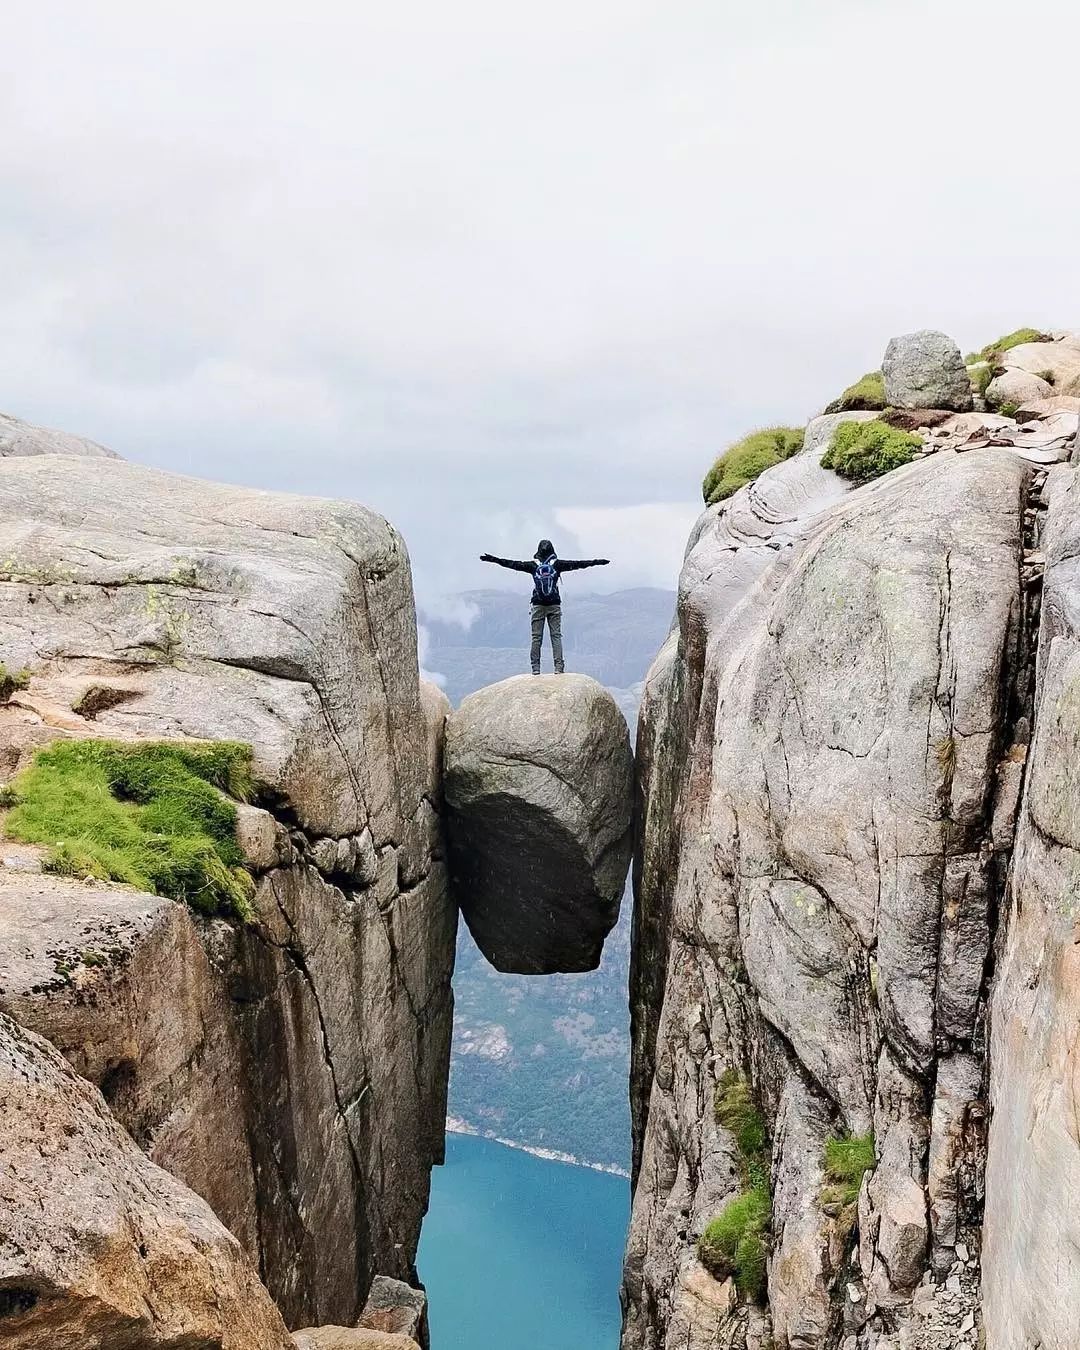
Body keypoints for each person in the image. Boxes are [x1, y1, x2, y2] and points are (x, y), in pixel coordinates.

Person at [479, 539, 610, 675]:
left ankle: (535, 668)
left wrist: (493, 559)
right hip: (554, 605)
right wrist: (598, 561)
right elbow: (580, 564)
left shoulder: (532, 566)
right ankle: (559, 667)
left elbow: (512, 564)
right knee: (556, 636)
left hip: (538, 605)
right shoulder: (558, 565)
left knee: (536, 638)